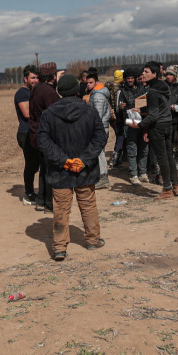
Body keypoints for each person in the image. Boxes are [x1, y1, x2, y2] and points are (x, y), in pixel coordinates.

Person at [37, 74, 106, 261]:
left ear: (59, 91)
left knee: (60, 209)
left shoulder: (49, 114)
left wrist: (64, 161)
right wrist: (83, 160)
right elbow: (100, 137)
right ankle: (93, 240)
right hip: (85, 169)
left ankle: (59, 248)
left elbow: (43, 141)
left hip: (60, 172)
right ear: (78, 90)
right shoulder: (89, 111)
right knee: (88, 204)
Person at [129, 61, 178, 199]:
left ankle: (167, 189)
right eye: (143, 72)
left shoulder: (152, 92)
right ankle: (175, 185)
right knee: (169, 155)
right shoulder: (164, 86)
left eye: (146, 72)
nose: (143, 74)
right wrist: (141, 109)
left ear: (154, 74)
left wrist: (138, 125)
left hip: (158, 127)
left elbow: (153, 115)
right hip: (168, 124)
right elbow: (160, 106)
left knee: (162, 157)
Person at [29, 62, 63, 213]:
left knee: (44, 168)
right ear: (53, 76)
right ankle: (49, 203)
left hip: (37, 134)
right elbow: (55, 114)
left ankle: (41, 200)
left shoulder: (37, 88)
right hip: (47, 135)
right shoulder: (49, 92)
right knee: (51, 170)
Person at [15, 65, 40, 205]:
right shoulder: (22, 93)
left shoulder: (33, 91)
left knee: (37, 164)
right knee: (31, 164)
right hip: (25, 133)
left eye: (37, 77)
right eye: (33, 78)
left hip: (33, 132)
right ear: (25, 78)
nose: (35, 80)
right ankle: (28, 193)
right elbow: (27, 114)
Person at [85, 73, 111, 189]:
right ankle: (101, 177)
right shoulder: (96, 94)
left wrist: (94, 128)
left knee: (99, 153)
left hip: (99, 128)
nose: (88, 85)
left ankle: (103, 178)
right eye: (87, 83)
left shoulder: (98, 96)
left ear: (96, 82)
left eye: (91, 82)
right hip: (100, 127)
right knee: (100, 152)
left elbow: (98, 116)